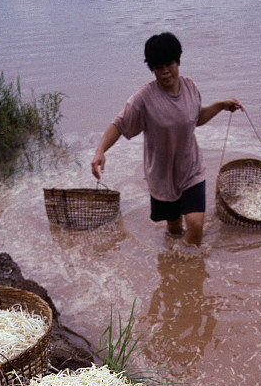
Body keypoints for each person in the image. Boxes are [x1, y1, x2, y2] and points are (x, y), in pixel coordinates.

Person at [91, 32, 243, 247]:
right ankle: (174, 266)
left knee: (196, 225)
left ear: (178, 61)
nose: (164, 71)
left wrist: (220, 106)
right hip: (162, 177)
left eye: (169, 64)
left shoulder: (191, 88)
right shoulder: (143, 99)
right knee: (173, 229)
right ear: (152, 69)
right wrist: (100, 151)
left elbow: (195, 118)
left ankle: (190, 272)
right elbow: (119, 124)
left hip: (191, 170)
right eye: (158, 67)